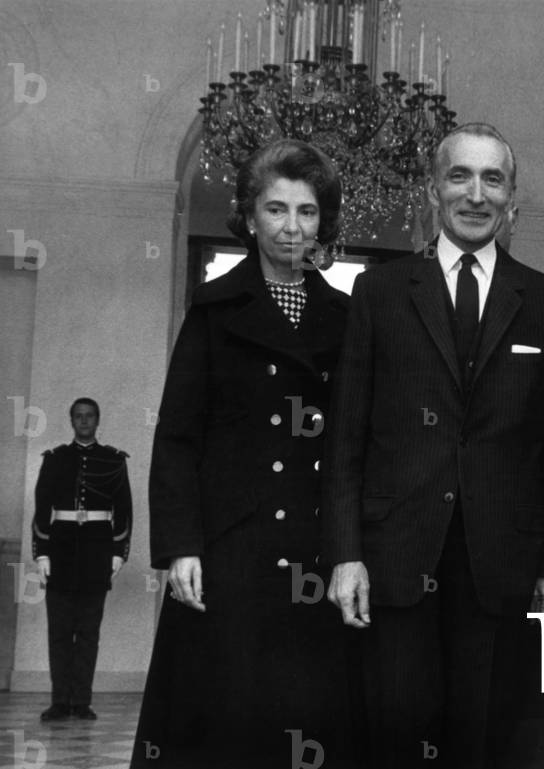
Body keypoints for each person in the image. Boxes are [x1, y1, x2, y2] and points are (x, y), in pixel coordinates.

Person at [322, 122, 544, 769]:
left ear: (512, 198)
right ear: (433, 190)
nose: (475, 194)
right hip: (394, 559)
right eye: (459, 176)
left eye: (492, 178)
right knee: (397, 737)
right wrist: (344, 554)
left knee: (500, 739)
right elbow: (344, 435)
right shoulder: (379, 293)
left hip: (507, 565)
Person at [130, 139, 355, 769]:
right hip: (231, 552)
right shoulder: (212, 309)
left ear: (322, 222)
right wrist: (181, 546)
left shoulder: (347, 316)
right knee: (225, 718)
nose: (292, 227)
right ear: (250, 216)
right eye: (276, 209)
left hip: (316, 552)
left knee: (309, 719)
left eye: (307, 212)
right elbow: (177, 438)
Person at [32, 397, 131, 721]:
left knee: (89, 631)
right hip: (60, 549)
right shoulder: (55, 459)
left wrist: (117, 554)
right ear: (71, 421)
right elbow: (41, 508)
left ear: (97, 420)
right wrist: (42, 552)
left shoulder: (114, 460)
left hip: (97, 551)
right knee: (60, 631)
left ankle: (81, 702)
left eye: (89, 416)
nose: (84, 421)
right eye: (78, 417)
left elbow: (124, 512)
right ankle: (60, 701)